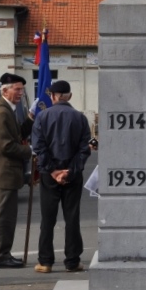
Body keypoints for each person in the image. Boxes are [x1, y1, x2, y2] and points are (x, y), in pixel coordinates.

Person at [31, 80, 91, 274]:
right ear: (70, 96)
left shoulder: (42, 117)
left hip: (50, 175)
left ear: (53, 96)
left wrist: (53, 171)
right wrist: (70, 171)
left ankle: (45, 261)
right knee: (72, 217)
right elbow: (84, 149)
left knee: (48, 218)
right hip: (72, 175)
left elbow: (39, 147)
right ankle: (72, 261)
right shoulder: (80, 118)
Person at [0, 73, 34, 267]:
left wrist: (30, 119)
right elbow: (6, 146)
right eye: (17, 89)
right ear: (5, 90)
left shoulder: (9, 109)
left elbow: (16, 136)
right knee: (5, 217)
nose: (20, 93)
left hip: (8, 173)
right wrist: (30, 151)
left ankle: (3, 253)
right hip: (5, 173)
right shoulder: (2, 112)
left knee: (8, 215)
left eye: (22, 89)